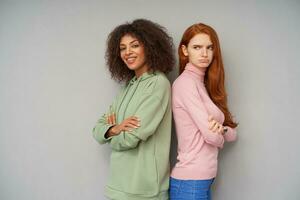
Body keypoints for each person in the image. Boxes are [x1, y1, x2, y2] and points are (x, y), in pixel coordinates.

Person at [93, 19, 175, 200]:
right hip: (117, 186)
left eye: (135, 45)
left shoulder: (158, 84)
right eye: (122, 48)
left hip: (144, 190)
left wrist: (110, 136)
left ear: (150, 47)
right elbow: (98, 130)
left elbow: (130, 138)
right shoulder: (127, 87)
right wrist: (114, 129)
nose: (127, 52)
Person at [170, 23, 238, 200]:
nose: (204, 53)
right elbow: (210, 136)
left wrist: (221, 129)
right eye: (197, 47)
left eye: (209, 47)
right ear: (185, 50)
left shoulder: (205, 85)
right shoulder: (185, 84)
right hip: (190, 181)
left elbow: (232, 134)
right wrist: (218, 133)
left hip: (202, 180)